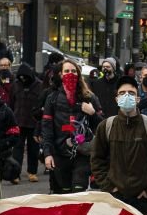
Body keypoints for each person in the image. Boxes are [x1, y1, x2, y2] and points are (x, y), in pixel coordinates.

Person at [91, 76, 147, 215]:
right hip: (114, 199)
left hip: (141, 201)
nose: (126, 96)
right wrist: (109, 188)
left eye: (131, 93)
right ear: (116, 99)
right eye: (122, 93)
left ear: (138, 99)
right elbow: (97, 160)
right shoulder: (106, 127)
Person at [42, 58, 103, 194]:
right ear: (60, 74)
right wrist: (47, 154)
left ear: (79, 74)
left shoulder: (90, 97)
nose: (70, 74)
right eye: (67, 71)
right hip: (59, 153)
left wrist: (92, 113)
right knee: (63, 194)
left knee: (78, 192)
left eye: (74, 71)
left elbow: (101, 127)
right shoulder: (52, 98)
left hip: (82, 152)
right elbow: (46, 128)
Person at [11, 63, 44, 183]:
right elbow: (11, 102)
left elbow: (42, 104)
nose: (23, 79)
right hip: (18, 121)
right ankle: (15, 174)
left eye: (25, 77)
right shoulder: (15, 85)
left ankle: (32, 172)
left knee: (33, 149)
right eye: (20, 77)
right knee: (17, 149)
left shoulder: (39, 85)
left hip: (33, 122)